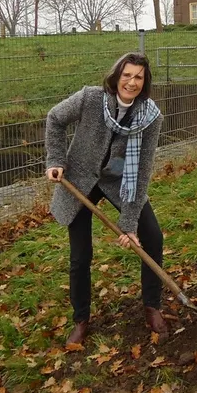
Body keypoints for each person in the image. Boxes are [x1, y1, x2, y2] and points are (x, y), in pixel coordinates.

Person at [45, 52, 168, 346]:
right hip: (81, 180)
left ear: (145, 81)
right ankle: (81, 319)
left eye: (138, 77)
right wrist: (56, 159)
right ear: (117, 76)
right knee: (80, 255)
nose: (132, 82)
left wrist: (129, 224)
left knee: (153, 237)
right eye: (127, 75)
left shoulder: (150, 117)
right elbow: (55, 118)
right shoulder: (90, 98)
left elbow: (141, 171)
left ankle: (152, 305)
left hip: (119, 182)